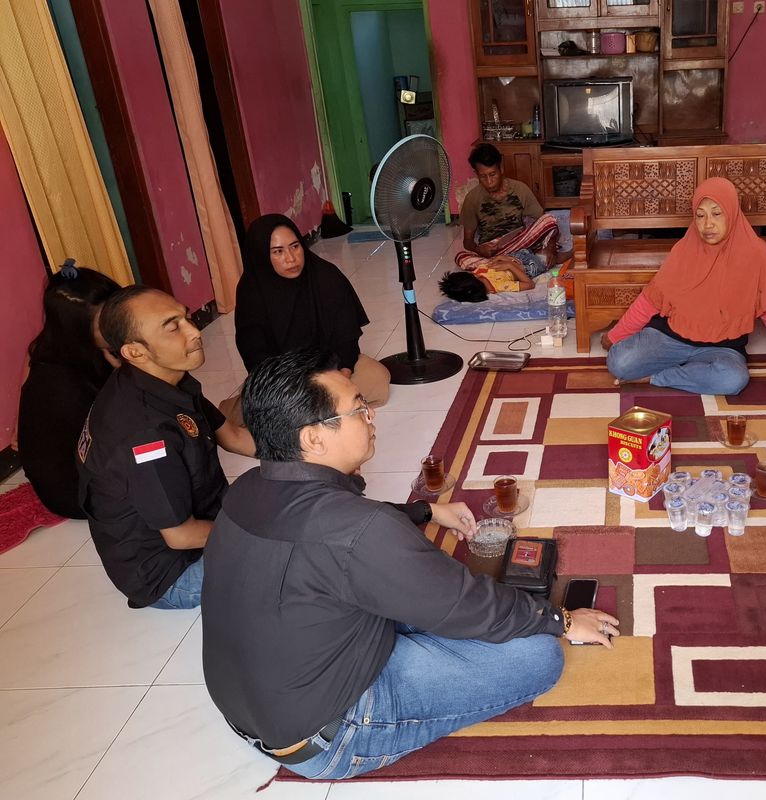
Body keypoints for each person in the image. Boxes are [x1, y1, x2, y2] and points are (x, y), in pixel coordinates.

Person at [201, 348, 618, 779]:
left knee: (417, 588)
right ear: (313, 438)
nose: (371, 417)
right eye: (358, 409)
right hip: (330, 732)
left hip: (258, 707)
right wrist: (562, 620)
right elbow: (462, 601)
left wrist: (425, 510)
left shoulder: (247, 488)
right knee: (536, 653)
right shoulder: (361, 531)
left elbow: (337, 530)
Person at [77, 286, 256, 609]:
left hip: (205, 515)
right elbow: (180, 536)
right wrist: (257, 535)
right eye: (173, 327)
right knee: (290, 554)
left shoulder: (165, 378)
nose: (194, 331)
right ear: (134, 351)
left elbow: (232, 436)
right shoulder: (145, 434)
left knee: (284, 494)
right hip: (173, 573)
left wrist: (312, 455)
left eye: (186, 318)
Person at [602, 177, 766, 395]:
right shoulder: (684, 249)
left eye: (717, 213)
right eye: (700, 215)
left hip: (723, 346)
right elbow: (651, 300)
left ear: (732, 212)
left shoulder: (756, 253)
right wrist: (615, 336)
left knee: (733, 380)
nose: (708, 225)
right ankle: (693, 372)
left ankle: (658, 378)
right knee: (619, 363)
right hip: (671, 338)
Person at [232, 214, 389, 409]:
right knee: (257, 409)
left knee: (377, 379)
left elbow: (346, 338)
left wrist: (343, 376)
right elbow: (255, 357)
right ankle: (325, 408)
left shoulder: (325, 276)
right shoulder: (251, 293)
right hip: (282, 383)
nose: (291, 258)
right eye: (278, 251)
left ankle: (320, 409)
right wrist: (294, 390)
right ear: (262, 255)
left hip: (331, 370)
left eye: (295, 246)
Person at [18, 261, 119, 518]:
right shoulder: (64, 382)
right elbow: (126, 428)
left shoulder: (56, 348)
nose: (118, 324)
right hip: (75, 493)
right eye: (105, 322)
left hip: (86, 470)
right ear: (77, 329)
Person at [456, 143, 560, 274]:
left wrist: (550, 247)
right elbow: (467, 242)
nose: (489, 182)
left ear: (501, 169)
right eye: (483, 176)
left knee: (549, 219)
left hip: (521, 243)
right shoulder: (472, 198)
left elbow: (544, 223)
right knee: (461, 258)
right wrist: (478, 249)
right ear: (476, 174)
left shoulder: (520, 189)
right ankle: (518, 265)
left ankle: (510, 265)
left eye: (492, 174)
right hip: (492, 252)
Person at [437, 254, 535, 302]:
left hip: (512, 255)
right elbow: (529, 284)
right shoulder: (500, 286)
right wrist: (510, 265)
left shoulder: (477, 273)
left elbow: (489, 263)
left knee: (461, 256)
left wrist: (498, 259)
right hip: (527, 265)